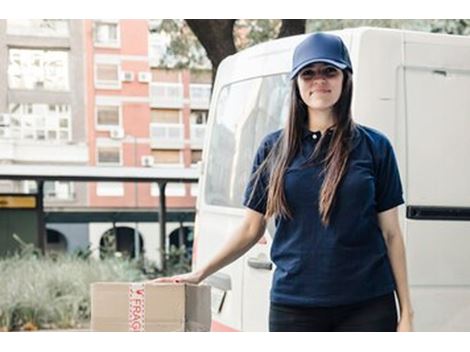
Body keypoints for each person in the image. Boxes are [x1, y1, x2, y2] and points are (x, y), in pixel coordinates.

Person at [153, 32, 414, 332]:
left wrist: (407, 312)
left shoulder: (375, 147)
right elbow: (252, 228)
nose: (319, 81)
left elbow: (392, 234)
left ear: (346, 78)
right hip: (294, 307)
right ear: (297, 83)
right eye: (308, 73)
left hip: (367, 306)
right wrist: (199, 273)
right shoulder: (273, 149)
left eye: (330, 71)